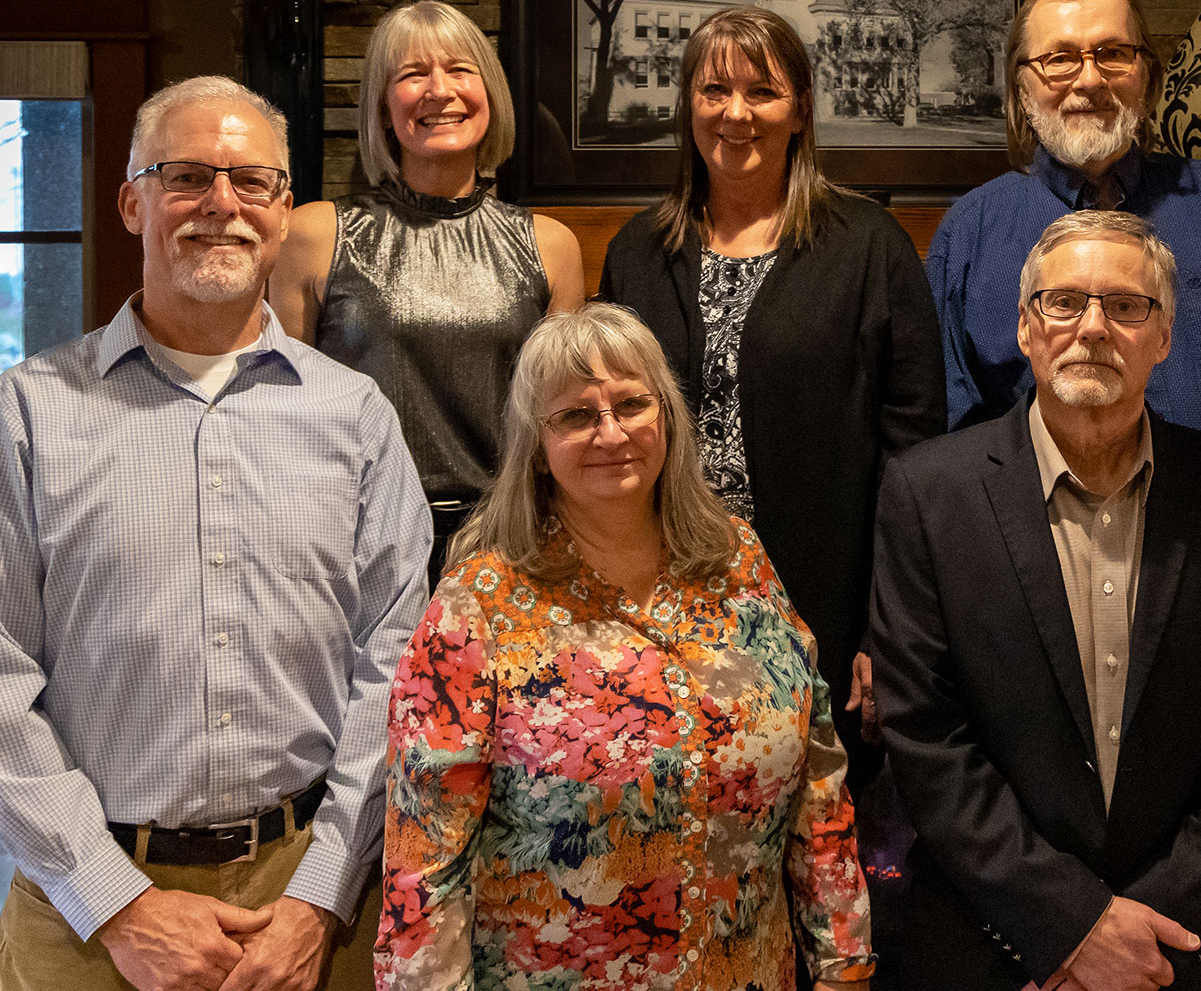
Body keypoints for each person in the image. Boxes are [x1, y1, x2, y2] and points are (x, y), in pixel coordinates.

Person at [0, 76, 433, 991]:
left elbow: (395, 668)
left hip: (310, 897)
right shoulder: (22, 419)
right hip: (83, 907)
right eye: (187, 176)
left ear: (284, 213)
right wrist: (118, 904)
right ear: (132, 202)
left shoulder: (355, 416)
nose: (222, 205)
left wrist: (322, 897)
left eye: (253, 182)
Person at [375, 303, 875, 990]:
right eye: (576, 416)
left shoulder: (741, 563)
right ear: (537, 447)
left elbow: (820, 785)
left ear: (666, 415)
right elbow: (422, 869)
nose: (611, 432)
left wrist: (845, 965)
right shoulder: (476, 606)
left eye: (632, 404)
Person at [869, 210, 1201, 991]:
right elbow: (927, 738)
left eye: (1126, 306)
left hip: (1176, 950)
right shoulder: (928, 495)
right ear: (1027, 330)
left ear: (1163, 338)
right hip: (993, 949)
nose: (1093, 327)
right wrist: (1069, 926)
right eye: (1063, 303)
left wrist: (1140, 930)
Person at [599, 5, 944, 776]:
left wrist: (888, 628)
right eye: (714, 89)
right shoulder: (638, 253)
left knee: (818, 836)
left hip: (824, 606)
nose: (736, 113)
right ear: (688, 105)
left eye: (763, 92)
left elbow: (914, 456)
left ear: (801, 110)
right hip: (663, 612)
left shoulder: (869, 247)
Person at [924, 0, 1201, 574]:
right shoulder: (973, 231)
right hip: (1035, 571)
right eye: (1059, 59)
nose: (1089, 80)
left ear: (1146, 72)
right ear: (1021, 85)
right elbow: (949, 429)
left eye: (1113, 54)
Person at [270, 0, 584, 577]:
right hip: (357, 542)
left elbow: (564, 424)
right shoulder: (315, 236)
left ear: (490, 93)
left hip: (509, 547)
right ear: (385, 110)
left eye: (460, 70)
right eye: (413, 75)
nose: (440, 90)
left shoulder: (552, 245)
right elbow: (280, 415)